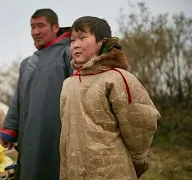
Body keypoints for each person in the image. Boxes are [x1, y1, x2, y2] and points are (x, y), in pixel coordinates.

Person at [59, 16, 160, 180]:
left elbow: (141, 121)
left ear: (101, 41)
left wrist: (138, 159)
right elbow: (66, 131)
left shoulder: (118, 78)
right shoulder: (68, 84)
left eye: (83, 38)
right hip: (73, 170)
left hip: (111, 170)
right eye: (72, 40)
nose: (75, 45)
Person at [0, 9, 73, 180]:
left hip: (57, 134)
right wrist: (8, 131)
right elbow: (18, 99)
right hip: (28, 136)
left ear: (56, 27)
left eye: (41, 26)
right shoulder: (27, 63)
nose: (35, 32)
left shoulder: (68, 53)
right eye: (32, 27)